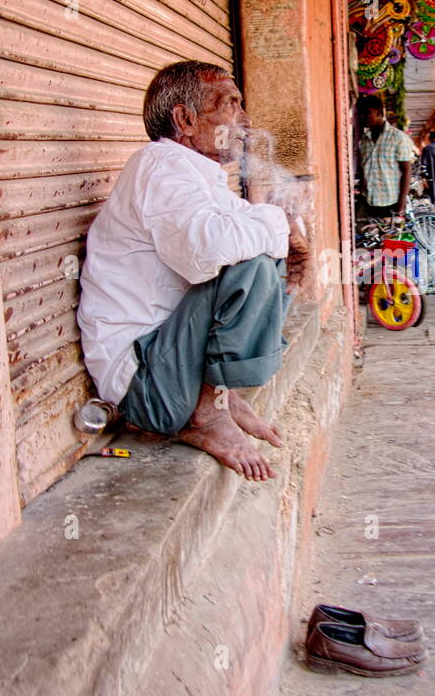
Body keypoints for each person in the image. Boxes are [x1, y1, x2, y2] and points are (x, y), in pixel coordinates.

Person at [77, 61, 312, 482]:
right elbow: (212, 250)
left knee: (257, 247)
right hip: (145, 384)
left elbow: (249, 226)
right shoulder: (161, 164)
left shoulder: (196, 177)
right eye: (230, 105)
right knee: (250, 260)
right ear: (185, 119)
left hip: (166, 366)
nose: (246, 119)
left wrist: (283, 233)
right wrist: (280, 227)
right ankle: (206, 414)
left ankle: (218, 395)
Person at [356, 94, 416, 217]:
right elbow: (363, 171)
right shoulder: (363, 141)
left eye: (368, 113)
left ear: (378, 112)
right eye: (361, 114)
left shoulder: (398, 138)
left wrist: (400, 206)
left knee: (390, 236)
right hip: (368, 203)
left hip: (391, 203)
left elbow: (406, 172)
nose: (364, 117)